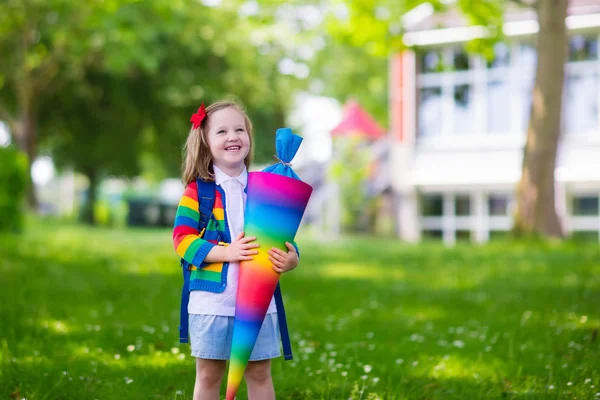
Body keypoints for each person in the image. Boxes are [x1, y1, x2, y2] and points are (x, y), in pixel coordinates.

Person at [172, 100, 299, 400]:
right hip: (211, 305)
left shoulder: (264, 187)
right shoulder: (197, 192)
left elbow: (282, 237)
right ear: (205, 142)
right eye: (222, 131)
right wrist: (226, 252)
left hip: (260, 304)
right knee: (208, 375)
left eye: (240, 129)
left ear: (249, 137)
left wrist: (292, 258)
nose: (233, 136)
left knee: (259, 374)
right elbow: (182, 241)